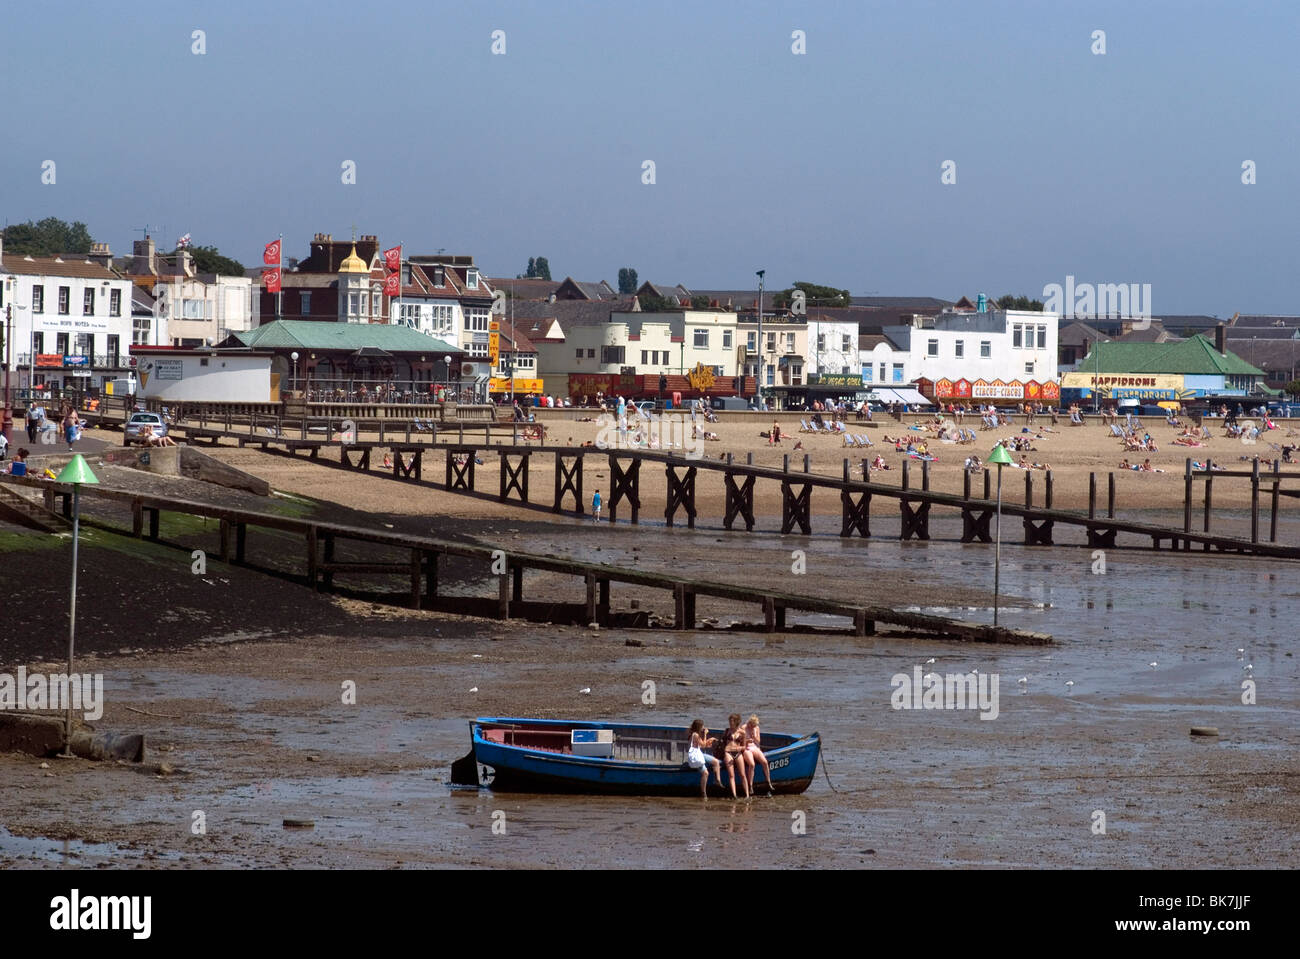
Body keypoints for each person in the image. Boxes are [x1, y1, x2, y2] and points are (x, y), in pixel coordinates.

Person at [686, 720, 724, 798]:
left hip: (699, 754)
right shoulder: (695, 735)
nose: (703, 728)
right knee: (705, 773)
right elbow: (703, 745)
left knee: (716, 762)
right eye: (702, 726)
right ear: (699, 727)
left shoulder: (695, 735)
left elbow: (702, 745)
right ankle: (703, 793)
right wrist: (705, 734)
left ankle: (717, 780)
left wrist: (710, 740)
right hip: (696, 757)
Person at [743, 715, 775, 795]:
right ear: (749, 723)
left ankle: (768, 782)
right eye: (752, 725)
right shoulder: (743, 728)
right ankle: (750, 786)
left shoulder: (756, 728)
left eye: (754, 726)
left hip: (754, 746)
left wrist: (754, 737)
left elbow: (758, 741)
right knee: (752, 764)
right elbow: (740, 742)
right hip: (746, 748)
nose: (752, 727)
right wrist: (747, 741)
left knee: (764, 762)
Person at [723, 713, 751, 799]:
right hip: (728, 754)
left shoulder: (742, 732)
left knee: (742, 774)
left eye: (732, 721)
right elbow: (723, 745)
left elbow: (744, 747)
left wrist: (736, 748)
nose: (730, 723)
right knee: (731, 775)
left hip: (738, 753)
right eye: (730, 721)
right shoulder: (727, 731)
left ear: (736, 722)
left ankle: (747, 795)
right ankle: (734, 795)